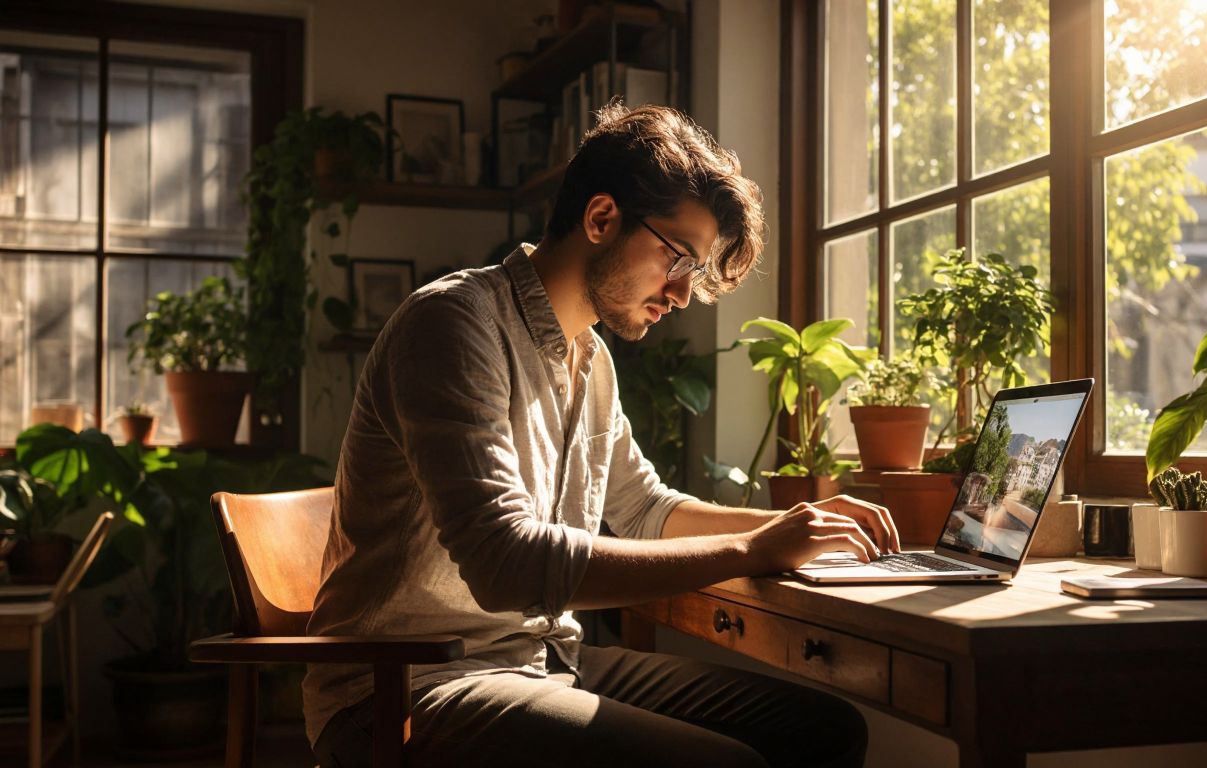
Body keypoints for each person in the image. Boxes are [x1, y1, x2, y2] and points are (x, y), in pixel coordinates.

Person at [305, 103, 901, 768]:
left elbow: (644, 509)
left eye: (694, 272)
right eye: (677, 258)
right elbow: (504, 564)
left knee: (824, 729)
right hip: (405, 689)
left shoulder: (588, 357)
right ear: (600, 219)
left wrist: (795, 525)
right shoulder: (452, 325)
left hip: (542, 661)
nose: (680, 295)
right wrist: (752, 550)